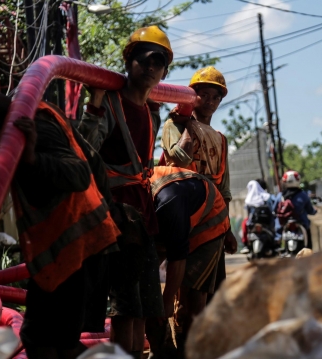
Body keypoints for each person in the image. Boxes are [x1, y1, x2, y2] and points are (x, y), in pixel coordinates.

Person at [0, 64, 121, 359]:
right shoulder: (22, 120)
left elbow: (79, 174)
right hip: (71, 250)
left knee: (54, 342)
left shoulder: (32, 124)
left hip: (77, 249)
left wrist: (32, 160)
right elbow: (91, 161)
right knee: (45, 338)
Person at [76, 25, 172, 358]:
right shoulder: (111, 105)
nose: (150, 67)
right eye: (144, 59)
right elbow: (83, 151)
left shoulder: (149, 112)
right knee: (124, 307)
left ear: (164, 71)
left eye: (158, 62)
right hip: (116, 219)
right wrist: (94, 104)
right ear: (129, 61)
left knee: (142, 307)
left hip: (141, 217)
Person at [159, 66, 236, 299]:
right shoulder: (175, 124)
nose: (210, 101)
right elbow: (179, 158)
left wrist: (228, 229)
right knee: (188, 294)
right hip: (184, 212)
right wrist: (190, 125)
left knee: (211, 295)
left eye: (216, 97)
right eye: (204, 94)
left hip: (213, 218)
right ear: (192, 95)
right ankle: (176, 332)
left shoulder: (220, 139)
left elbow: (224, 188)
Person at [150, 166, 234, 358]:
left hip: (209, 220)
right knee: (147, 293)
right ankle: (164, 348)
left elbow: (177, 257)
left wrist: (167, 299)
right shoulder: (136, 190)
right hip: (182, 205)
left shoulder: (169, 206)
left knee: (194, 297)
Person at [276, 170, 317, 249]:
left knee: (278, 230)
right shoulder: (303, 195)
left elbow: (275, 210)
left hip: (285, 223)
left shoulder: (280, 196)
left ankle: (278, 242)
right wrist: (314, 211)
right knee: (307, 235)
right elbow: (310, 210)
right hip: (301, 222)